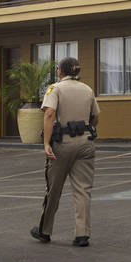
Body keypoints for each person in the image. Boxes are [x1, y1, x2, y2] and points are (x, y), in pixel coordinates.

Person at [31, 56, 100, 247]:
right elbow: (96, 116)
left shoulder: (56, 89)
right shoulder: (87, 89)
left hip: (62, 143)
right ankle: (82, 234)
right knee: (83, 190)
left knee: (54, 189)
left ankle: (45, 231)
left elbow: (49, 113)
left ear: (60, 72)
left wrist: (46, 142)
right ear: (77, 71)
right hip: (85, 143)